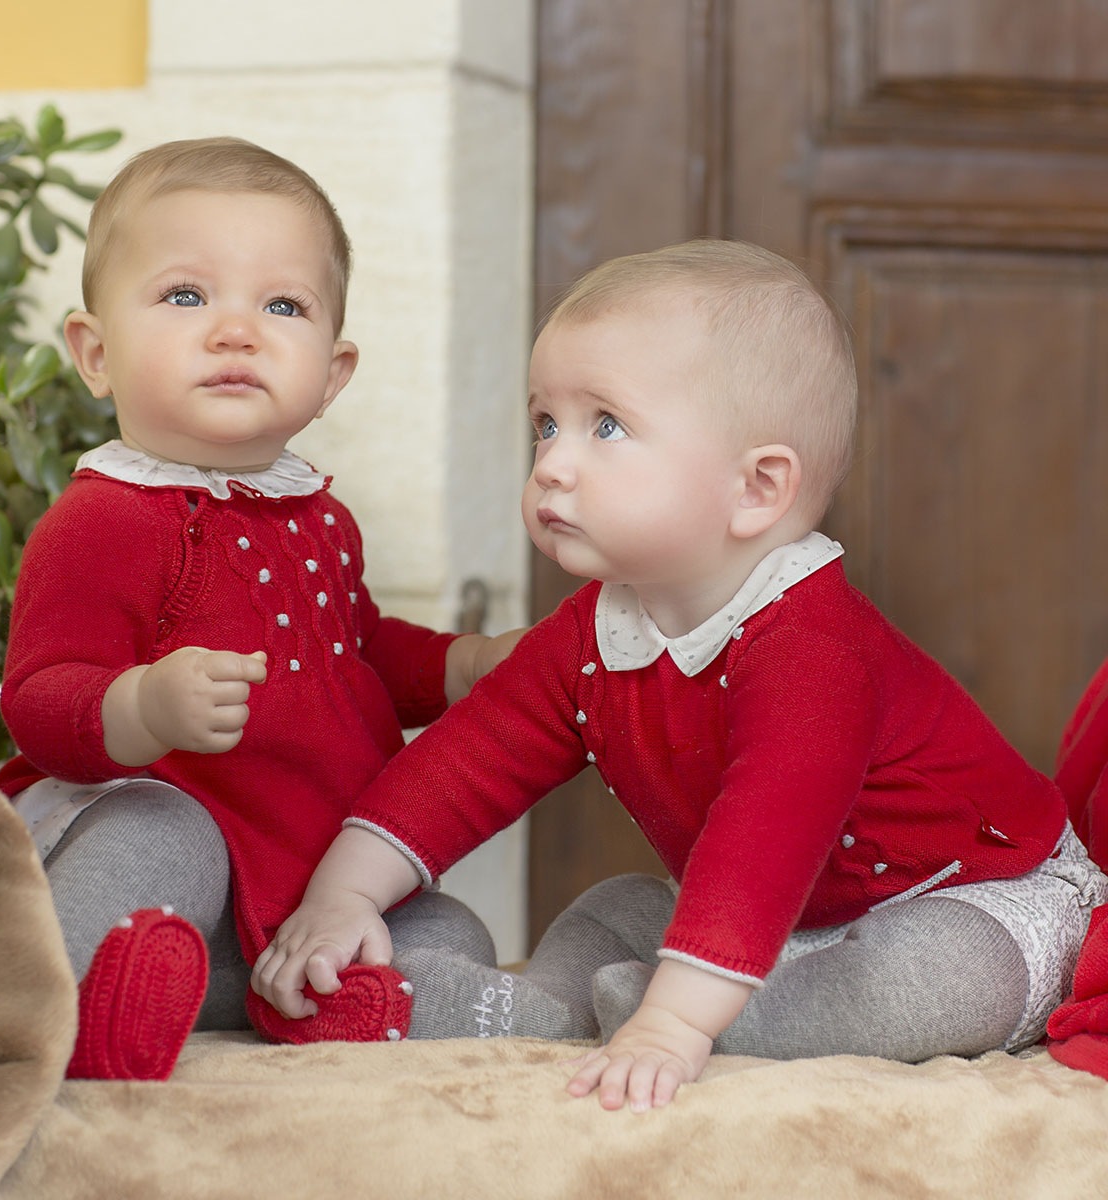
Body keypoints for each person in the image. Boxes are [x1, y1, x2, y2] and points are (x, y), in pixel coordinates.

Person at [251, 238, 1108, 1111]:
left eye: (605, 426)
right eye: (545, 423)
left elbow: (762, 838)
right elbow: (466, 761)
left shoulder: (812, 649)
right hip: (758, 922)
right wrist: (341, 896)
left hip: (972, 897)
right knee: (616, 907)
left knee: (938, 983)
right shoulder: (594, 631)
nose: (550, 461)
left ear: (756, 490)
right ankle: (535, 1006)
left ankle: (723, 1019)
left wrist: (674, 1025)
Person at [0, 137, 513, 1071]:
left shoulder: (321, 517)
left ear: (332, 373)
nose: (237, 331)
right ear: (95, 353)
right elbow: (37, 702)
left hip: (302, 889)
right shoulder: (103, 519)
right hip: (180, 871)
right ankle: (73, 1008)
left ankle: (308, 999)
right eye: (186, 296)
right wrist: (143, 706)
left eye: (283, 305)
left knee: (447, 926)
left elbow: (355, 650)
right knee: (161, 833)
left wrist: (460, 666)